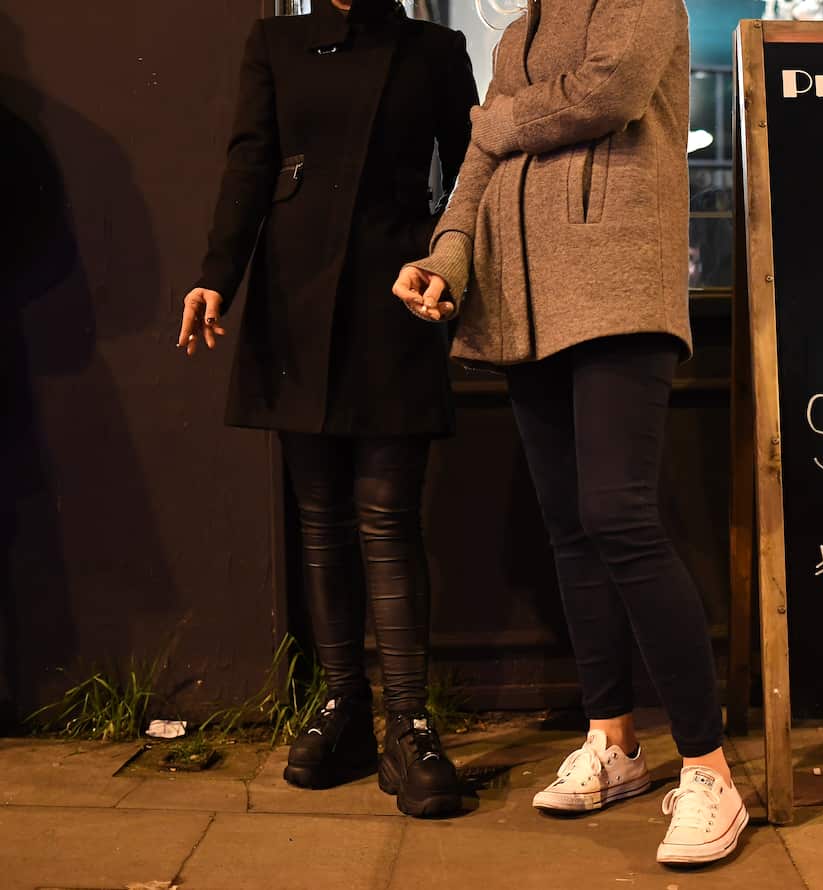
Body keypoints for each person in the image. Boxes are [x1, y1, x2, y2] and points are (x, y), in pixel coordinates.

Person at [392, 0, 748, 864]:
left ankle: (709, 771)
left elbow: (607, 93)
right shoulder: (517, 35)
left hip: (617, 290)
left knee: (620, 517)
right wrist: (445, 257)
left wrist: (497, 115)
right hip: (520, 305)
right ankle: (615, 741)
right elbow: (476, 165)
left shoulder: (643, 5)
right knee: (573, 532)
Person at [177, 0, 477, 818]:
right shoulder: (274, 40)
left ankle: (408, 723)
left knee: (387, 516)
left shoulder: (435, 49)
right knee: (320, 519)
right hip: (296, 296)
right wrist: (217, 275)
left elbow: (468, 178)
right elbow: (250, 160)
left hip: (395, 295)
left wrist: (446, 262)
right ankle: (343, 709)